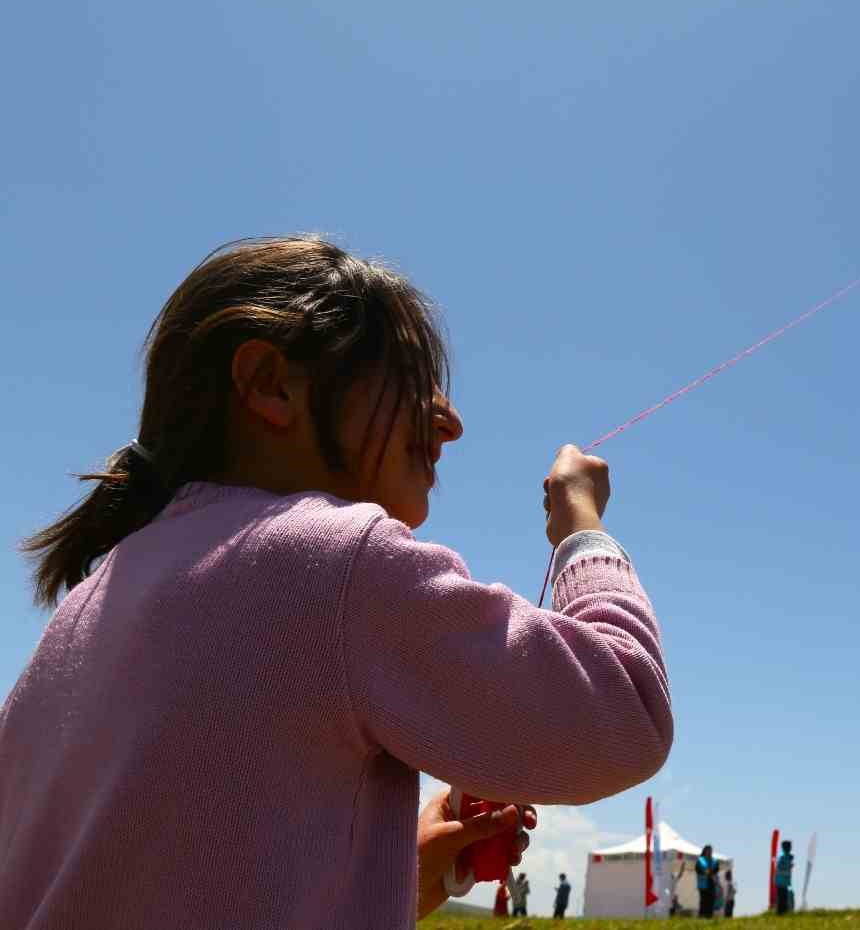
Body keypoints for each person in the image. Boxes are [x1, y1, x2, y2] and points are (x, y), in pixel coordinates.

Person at [0, 237, 675, 930]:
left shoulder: (85, 609)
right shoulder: (333, 559)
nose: (449, 421)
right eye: (413, 380)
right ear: (271, 383)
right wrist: (582, 532)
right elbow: (626, 715)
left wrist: (397, 875)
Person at [775, 840, 795, 915]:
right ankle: (781, 913)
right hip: (781, 882)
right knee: (782, 899)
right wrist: (789, 866)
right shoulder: (783, 858)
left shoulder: (784, 857)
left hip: (782, 881)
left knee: (783, 898)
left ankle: (782, 913)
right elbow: (780, 868)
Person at [696, 844, 717, 918]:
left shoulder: (714, 860)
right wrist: (704, 872)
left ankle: (709, 916)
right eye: (708, 850)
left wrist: (712, 872)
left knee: (711, 900)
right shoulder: (700, 860)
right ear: (705, 851)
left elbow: (716, 869)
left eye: (711, 850)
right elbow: (697, 870)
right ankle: (702, 916)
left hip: (711, 882)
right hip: (703, 884)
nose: (710, 852)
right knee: (704, 900)